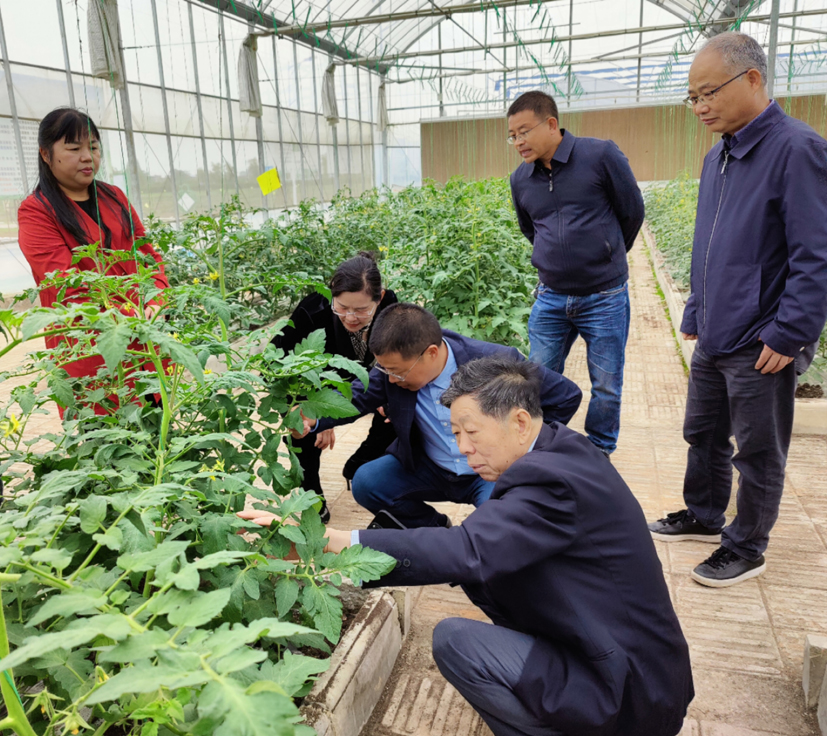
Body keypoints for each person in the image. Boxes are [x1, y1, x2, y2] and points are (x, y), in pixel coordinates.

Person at [240, 357, 694, 736]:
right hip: (633, 661)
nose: (462, 450)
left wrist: (326, 545)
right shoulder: (560, 451)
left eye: (470, 433)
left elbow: (466, 550)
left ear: (519, 421)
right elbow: (480, 553)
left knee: (456, 641)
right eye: (455, 434)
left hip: (625, 687)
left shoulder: (550, 481)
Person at [647, 33, 827, 587]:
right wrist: (698, 310)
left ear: (753, 80)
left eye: (709, 93)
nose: (700, 106)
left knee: (757, 450)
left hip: (762, 340)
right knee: (702, 432)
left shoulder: (797, 149)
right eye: (693, 97)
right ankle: (703, 515)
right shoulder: (719, 154)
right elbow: (709, 242)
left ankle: (747, 545)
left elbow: (816, 253)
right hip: (719, 330)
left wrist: (790, 332)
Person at [295, 302, 582, 528]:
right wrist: (312, 417)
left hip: (489, 474)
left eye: (398, 371)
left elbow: (566, 396)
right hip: (430, 466)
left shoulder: (497, 363)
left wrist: (525, 451)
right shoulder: (390, 372)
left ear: (431, 352)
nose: (391, 380)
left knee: (505, 521)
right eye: (385, 370)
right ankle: (435, 530)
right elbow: (356, 396)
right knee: (368, 482)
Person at [508, 90, 645, 458]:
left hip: (604, 297)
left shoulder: (600, 155)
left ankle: (599, 453)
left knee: (606, 383)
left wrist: (605, 256)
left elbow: (631, 212)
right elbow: (531, 229)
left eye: (524, 131)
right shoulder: (520, 179)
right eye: (513, 135)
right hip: (551, 297)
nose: (518, 141)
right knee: (536, 379)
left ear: (551, 123)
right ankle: (542, 449)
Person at [17, 107, 168, 412]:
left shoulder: (115, 197)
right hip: (90, 351)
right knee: (106, 440)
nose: (88, 157)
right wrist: (136, 313)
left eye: (94, 147)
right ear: (46, 155)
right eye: (74, 148)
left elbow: (148, 257)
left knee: (158, 438)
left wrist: (158, 298)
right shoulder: (37, 212)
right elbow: (66, 288)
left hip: (147, 344)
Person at [273, 252, 398, 523]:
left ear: (380, 297)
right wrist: (316, 407)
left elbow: (395, 353)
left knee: (395, 412)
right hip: (310, 381)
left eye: (362, 310)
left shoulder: (390, 306)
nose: (351, 317)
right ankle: (312, 494)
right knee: (302, 429)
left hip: (360, 378)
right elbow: (276, 358)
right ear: (332, 295)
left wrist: (386, 387)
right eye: (342, 307)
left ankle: (360, 463)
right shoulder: (312, 311)